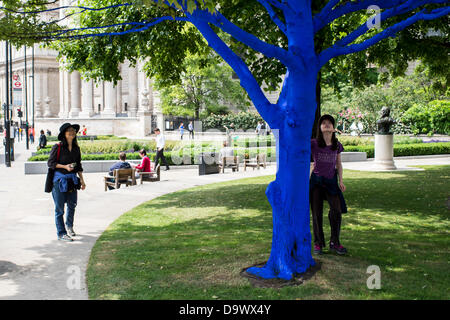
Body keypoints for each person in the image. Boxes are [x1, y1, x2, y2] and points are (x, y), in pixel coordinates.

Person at [310, 114, 347, 256]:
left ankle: (335, 242)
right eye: (323, 123)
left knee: (336, 210)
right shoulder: (313, 143)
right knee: (316, 213)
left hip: (331, 181)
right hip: (317, 182)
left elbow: (339, 164)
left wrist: (341, 181)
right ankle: (318, 243)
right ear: (320, 127)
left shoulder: (337, 145)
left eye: (329, 123)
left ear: (333, 128)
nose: (326, 125)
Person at [47, 123, 86, 242]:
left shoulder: (76, 148)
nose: (72, 132)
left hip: (72, 180)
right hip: (59, 181)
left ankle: (69, 226)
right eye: (69, 130)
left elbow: (78, 165)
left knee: (72, 205)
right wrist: (65, 166)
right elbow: (50, 163)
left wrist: (82, 181)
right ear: (64, 133)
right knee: (59, 209)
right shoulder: (57, 147)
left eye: (73, 130)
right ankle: (61, 233)